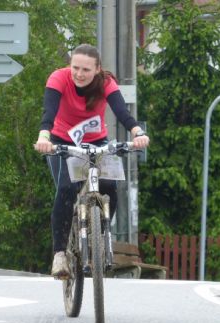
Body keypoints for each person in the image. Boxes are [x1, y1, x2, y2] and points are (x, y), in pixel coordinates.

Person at [34, 43, 149, 278]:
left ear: (97, 69)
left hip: (97, 142)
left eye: (86, 69)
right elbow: (49, 113)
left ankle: (101, 234)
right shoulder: (59, 78)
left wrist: (137, 132)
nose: (79, 74)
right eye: (75, 67)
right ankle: (60, 255)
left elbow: (122, 112)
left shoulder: (106, 83)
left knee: (110, 187)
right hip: (62, 143)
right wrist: (44, 136)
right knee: (66, 189)